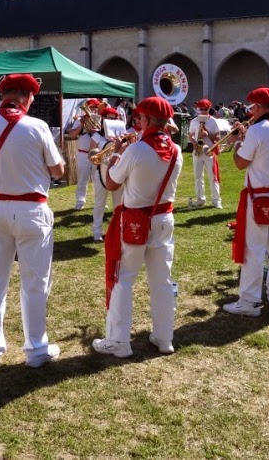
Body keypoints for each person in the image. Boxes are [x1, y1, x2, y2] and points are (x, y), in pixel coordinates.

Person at [0, 73, 65, 368]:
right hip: (31, 210)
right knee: (35, 282)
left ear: (4, 96)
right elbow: (58, 171)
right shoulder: (37, 126)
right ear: (27, 97)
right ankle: (36, 349)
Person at [93, 96, 183, 357]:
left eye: (139, 118)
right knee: (162, 280)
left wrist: (116, 155)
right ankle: (164, 338)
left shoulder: (137, 149)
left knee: (124, 279)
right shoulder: (176, 150)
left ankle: (119, 342)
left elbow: (111, 184)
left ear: (145, 120)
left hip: (135, 220)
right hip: (164, 219)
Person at [223, 87, 269, 317]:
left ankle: (250, 301)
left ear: (258, 107)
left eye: (252, 107)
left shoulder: (258, 129)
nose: (250, 111)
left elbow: (241, 163)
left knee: (254, 250)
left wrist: (236, 143)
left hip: (260, 195)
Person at [89, 105, 126, 242]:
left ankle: (118, 230)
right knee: (99, 203)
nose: (111, 120)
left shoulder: (123, 136)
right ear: (104, 119)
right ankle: (97, 231)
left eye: (114, 118)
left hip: (117, 171)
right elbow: (91, 153)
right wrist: (99, 155)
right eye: (109, 118)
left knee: (118, 204)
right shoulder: (97, 135)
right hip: (101, 172)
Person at [66, 98, 101, 210]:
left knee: (98, 179)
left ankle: (99, 201)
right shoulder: (80, 119)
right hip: (83, 153)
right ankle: (80, 201)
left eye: (94, 107)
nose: (92, 109)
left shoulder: (101, 120)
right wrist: (81, 124)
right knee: (82, 179)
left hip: (97, 153)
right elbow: (72, 135)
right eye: (90, 107)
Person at [188, 98, 222, 208]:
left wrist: (207, 134)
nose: (203, 111)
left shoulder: (213, 121)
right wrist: (194, 143)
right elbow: (190, 136)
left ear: (209, 109)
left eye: (205, 109)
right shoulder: (194, 121)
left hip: (209, 150)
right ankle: (200, 199)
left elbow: (218, 137)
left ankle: (216, 200)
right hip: (198, 150)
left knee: (213, 176)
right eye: (201, 109)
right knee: (198, 176)